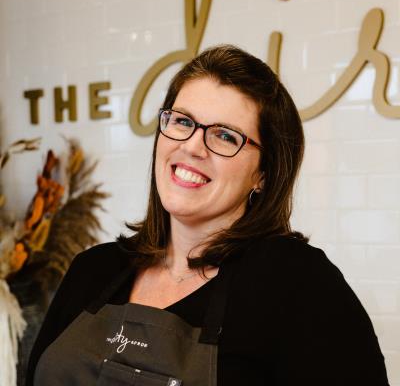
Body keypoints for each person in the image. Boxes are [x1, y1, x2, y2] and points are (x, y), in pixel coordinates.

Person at [26, 45, 390, 386]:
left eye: (225, 136)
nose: (192, 146)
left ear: (263, 174)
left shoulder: (299, 284)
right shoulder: (93, 270)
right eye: (183, 122)